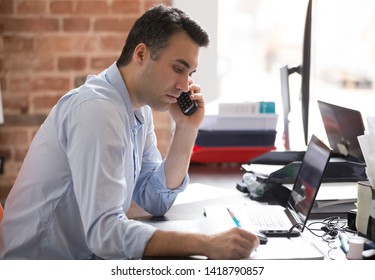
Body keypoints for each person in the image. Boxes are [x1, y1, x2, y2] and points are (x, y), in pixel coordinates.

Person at [0, 4, 259, 260]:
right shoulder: (98, 111)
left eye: (190, 73)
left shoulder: (137, 109)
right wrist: (206, 244)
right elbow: (105, 232)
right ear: (141, 54)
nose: (184, 85)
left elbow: (155, 199)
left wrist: (186, 128)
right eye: (178, 68)